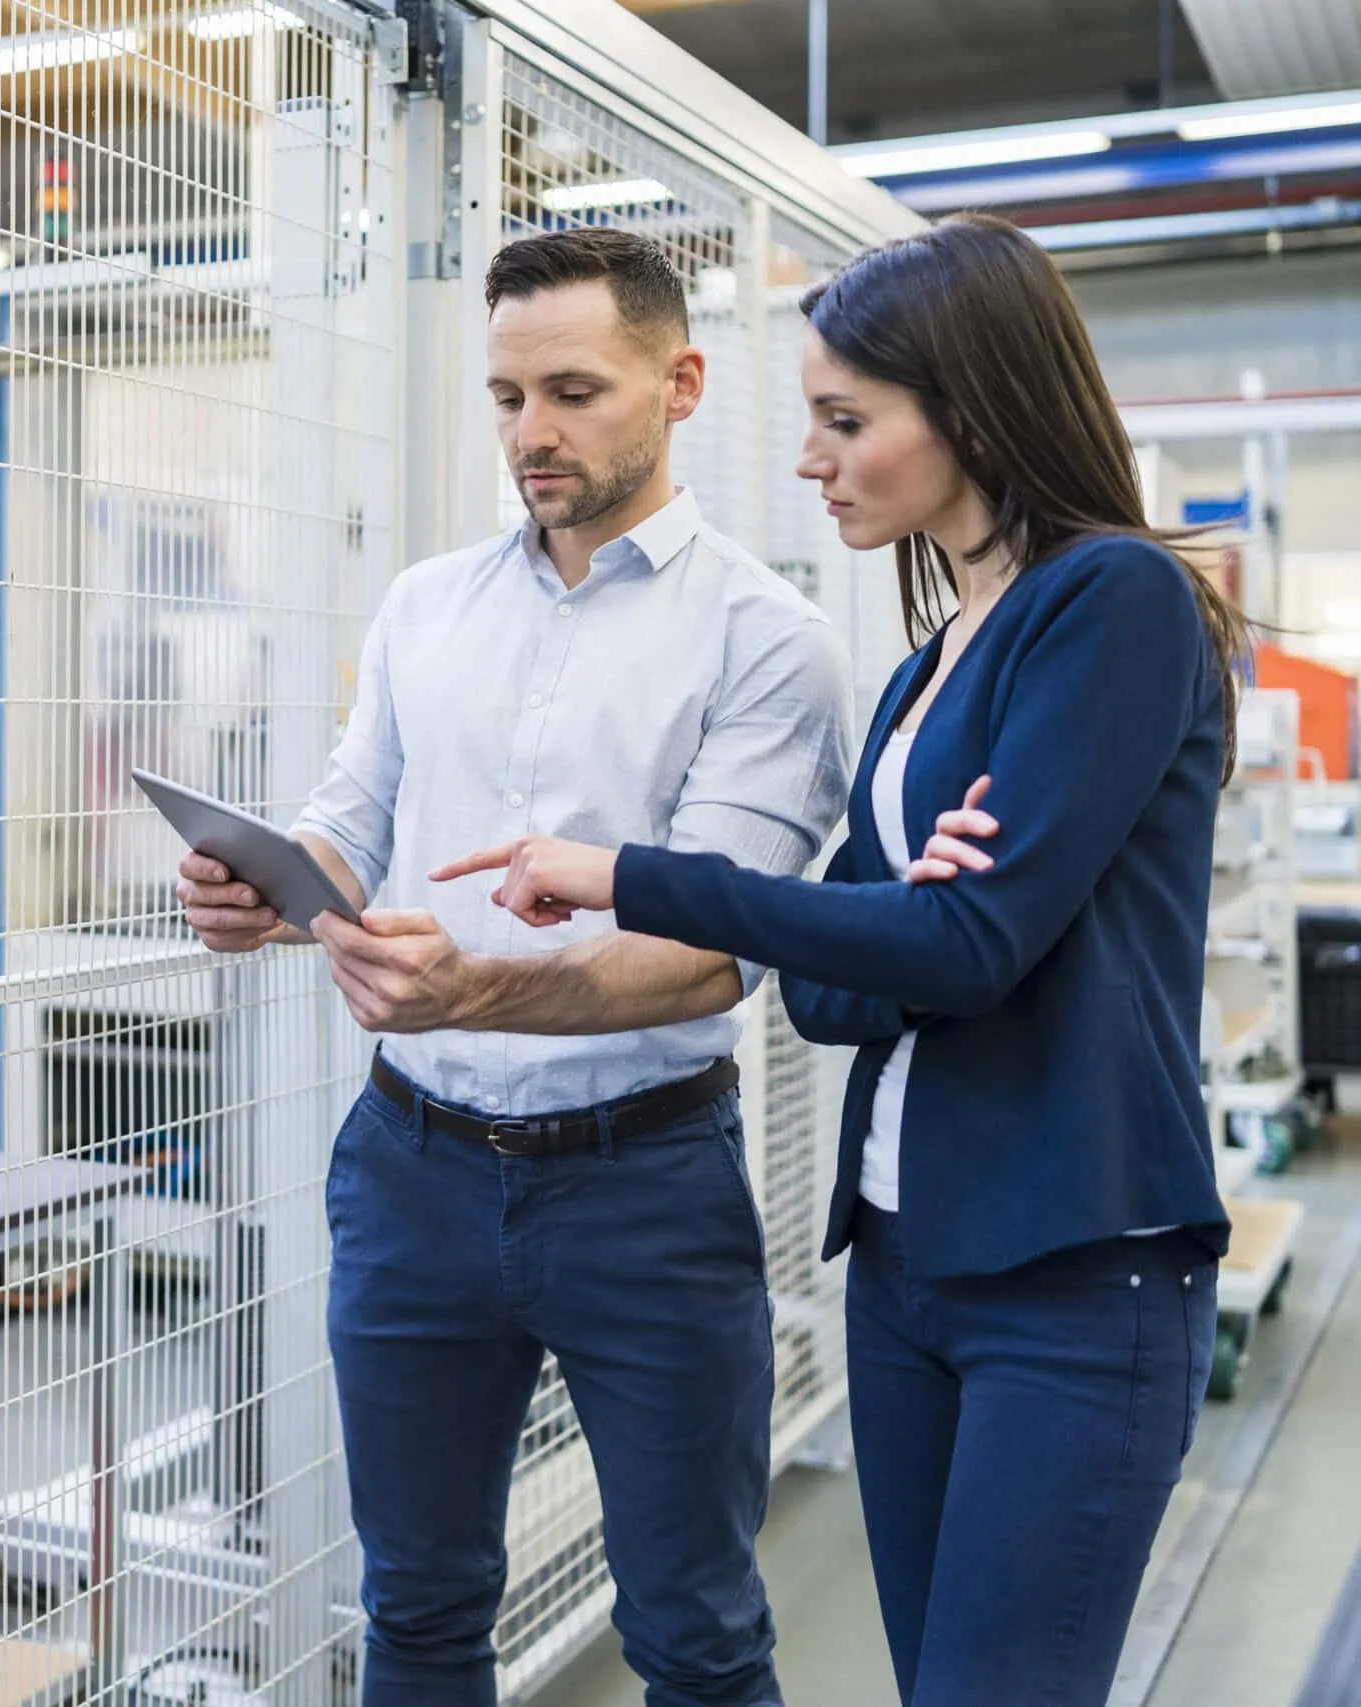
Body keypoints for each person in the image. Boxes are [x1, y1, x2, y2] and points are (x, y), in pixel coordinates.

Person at [450, 213, 1242, 1707]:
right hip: (903, 1263)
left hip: (1072, 1273)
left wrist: (638, 875)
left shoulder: (1113, 603)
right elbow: (831, 983)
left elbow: (963, 944)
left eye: (843, 420)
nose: (809, 458)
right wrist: (917, 931)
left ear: (974, 404)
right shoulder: (928, 665)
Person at [179, 227, 852, 1707]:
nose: (530, 434)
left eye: (571, 390)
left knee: (695, 1626)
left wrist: (476, 987)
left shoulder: (767, 643)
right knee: (416, 1608)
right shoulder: (429, 603)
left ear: (680, 384)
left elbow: (707, 956)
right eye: (503, 397)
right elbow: (353, 823)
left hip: (645, 1189)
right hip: (414, 1167)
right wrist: (269, 885)